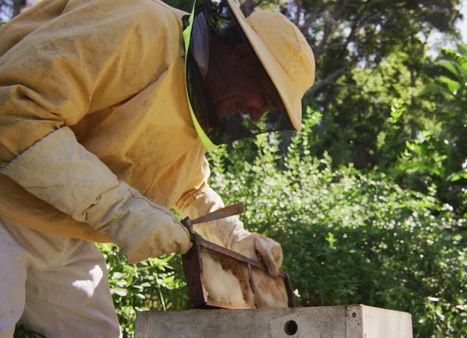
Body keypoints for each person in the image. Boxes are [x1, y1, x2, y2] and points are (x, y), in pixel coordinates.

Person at [0, 0, 315, 336]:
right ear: (241, 59)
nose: (256, 116)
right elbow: (16, 113)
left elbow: (189, 187)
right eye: (264, 98)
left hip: (63, 232)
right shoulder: (137, 26)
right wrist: (121, 210)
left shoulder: (203, 98)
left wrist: (236, 239)